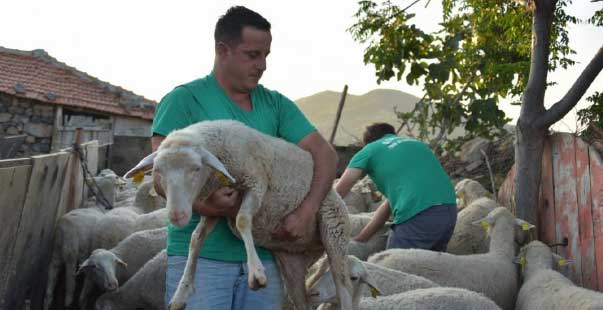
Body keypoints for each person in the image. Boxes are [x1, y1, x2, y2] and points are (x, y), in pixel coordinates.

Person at [151, 6, 338, 310]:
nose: (262, 65)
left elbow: (325, 155)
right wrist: (204, 204)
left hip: (267, 258)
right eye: (253, 55)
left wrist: (307, 211)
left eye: (266, 55)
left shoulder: (275, 105)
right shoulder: (184, 100)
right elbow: (161, 175)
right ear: (223, 51)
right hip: (203, 263)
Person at [335, 122, 456, 251]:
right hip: (449, 212)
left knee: (390, 264)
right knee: (428, 268)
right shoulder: (416, 144)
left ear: (368, 142)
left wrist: (316, 211)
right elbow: (388, 206)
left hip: (418, 215)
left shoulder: (369, 150)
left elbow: (340, 190)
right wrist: (362, 238)